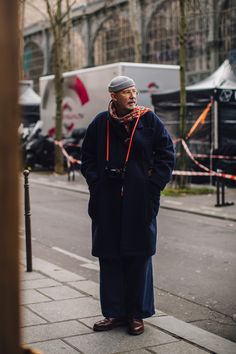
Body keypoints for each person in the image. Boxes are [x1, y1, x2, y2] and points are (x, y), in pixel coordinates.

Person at [81, 75, 175, 335]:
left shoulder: (149, 120)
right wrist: (96, 183)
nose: (133, 96)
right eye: (126, 92)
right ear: (113, 96)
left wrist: (153, 185)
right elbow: (86, 157)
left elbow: (167, 153)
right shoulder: (101, 123)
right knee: (110, 257)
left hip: (139, 201)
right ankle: (114, 313)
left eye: (135, 91)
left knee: (138, 256)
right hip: (107, 202)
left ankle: (136, 314)